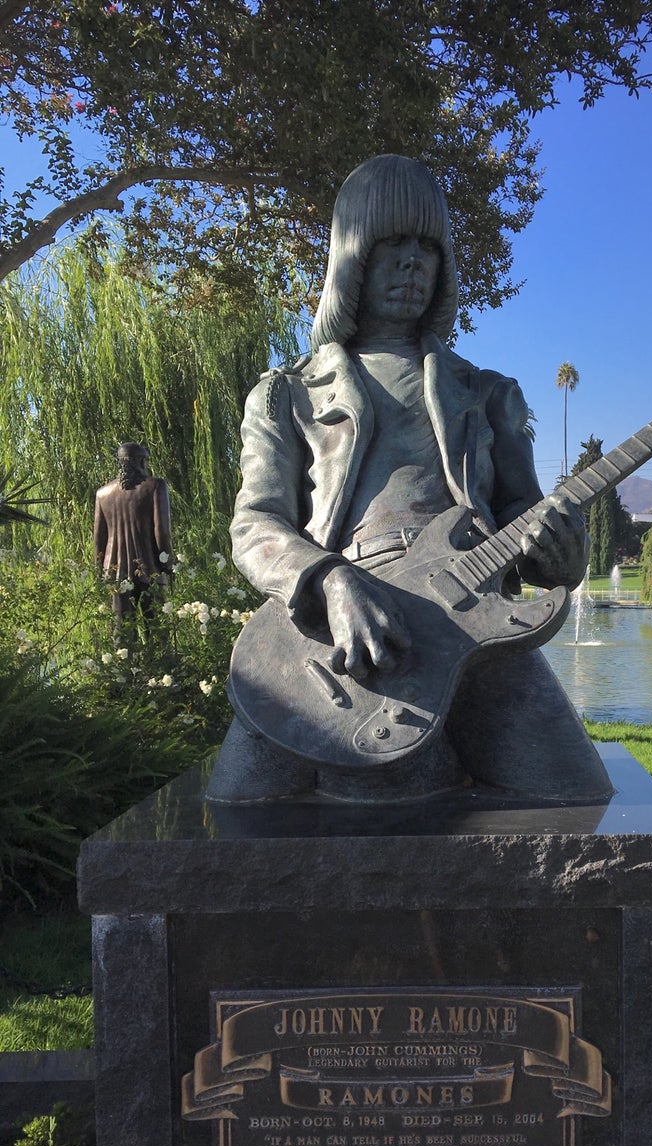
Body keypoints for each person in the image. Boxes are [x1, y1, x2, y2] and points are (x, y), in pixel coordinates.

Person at [207, 154, 611, 804]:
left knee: (580, 796)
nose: (412, 262)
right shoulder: (287, 396)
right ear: (351, 257)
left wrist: (563, 558)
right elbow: (256, 525)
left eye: (428, 246)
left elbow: (525, 520)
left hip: (476, 627)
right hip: (330, 635)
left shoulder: (487, 395)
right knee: (238, 810)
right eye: (391, 242)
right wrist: (329, 581)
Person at [93, 442, 173, 631]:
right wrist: (168, 564)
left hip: (115, 571)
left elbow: (99, 539)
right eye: (145, 462)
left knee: (122, 631)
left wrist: (99, 571)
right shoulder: (155, 486)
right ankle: (159, 662)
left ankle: (123, 662)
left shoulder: (102, 494)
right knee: (157, 630)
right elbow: (162, 532)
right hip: (150, 567)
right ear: (139, 462)